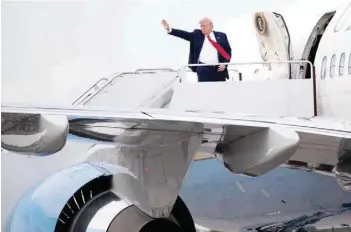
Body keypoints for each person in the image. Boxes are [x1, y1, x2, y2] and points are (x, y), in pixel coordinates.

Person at [162, 17, 232, 82]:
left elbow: (228, 52)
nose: (202, 28)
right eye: (201, 26)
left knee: (219, 92)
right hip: (203, 69)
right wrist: (169, 29)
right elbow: (184, 34)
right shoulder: (197, 35)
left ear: (211, 26)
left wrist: (225, 64)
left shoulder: (222, 36)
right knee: (204, 92)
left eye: (204, 26)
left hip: (219, 69)